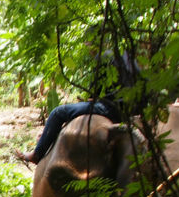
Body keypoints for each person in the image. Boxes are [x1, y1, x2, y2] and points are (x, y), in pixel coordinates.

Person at [16, 35, 143, 164]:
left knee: (58, 112)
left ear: (93, 44)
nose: (88, 50)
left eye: (88, 45)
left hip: (110, 108)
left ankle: (36, 154)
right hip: (132, 110)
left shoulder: (102, 58)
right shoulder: (126, 55)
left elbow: (94, 93)